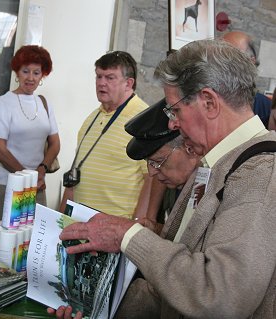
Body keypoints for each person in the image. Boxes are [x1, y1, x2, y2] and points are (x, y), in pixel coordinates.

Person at [49, 39, 276, 318]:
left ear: (208, 102)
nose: (172, 123)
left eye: (175, 109)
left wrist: (127, 235)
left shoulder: (261, 171)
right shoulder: (216, 164)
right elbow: (170, 292)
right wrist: (95, 304)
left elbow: (220, 296)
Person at [59, 51, 162, 219]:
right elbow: (75, 174)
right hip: (79, 224)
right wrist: (60, 219)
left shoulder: (145, 119)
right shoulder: (91, 119)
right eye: (98, 76)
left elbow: (151, 179)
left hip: (116, 230)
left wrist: (135, 228)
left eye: (110, 78)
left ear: (128, 83)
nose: (101, 83)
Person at [0, 45, 60, 223]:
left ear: (42, 75)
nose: (30, 78)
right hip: (8, 183)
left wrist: (41, 171)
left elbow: (55, 143)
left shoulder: (44, 103)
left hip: (38, 185)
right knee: (6, 238)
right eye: (25, 71)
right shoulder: (3, 103)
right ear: (17, 72)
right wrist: (28, 177)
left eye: (36, 73)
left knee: (35, 239)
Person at [126, 99, 200, 233]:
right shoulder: (178, 183)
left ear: (190, 148)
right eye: (148, 162)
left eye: (158, 161)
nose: (151, 172)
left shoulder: (212, 187)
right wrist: (156, 229)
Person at [222, 30, 272, 128]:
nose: (221, 63)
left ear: (251, 62)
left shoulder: (267, 110)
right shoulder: (202, 100)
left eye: (231, 56)